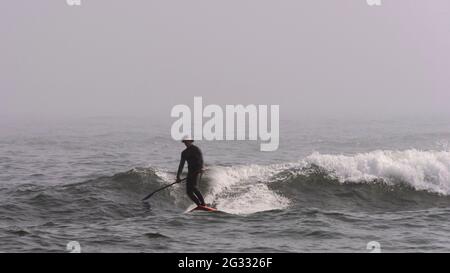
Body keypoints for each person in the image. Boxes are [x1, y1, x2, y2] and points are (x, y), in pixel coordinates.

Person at [176, 136, 206, 207]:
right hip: (190, 172)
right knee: (189, 192)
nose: (186, 143)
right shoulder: (184, 153)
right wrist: (178, 176)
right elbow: (181, 165)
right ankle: (199, 205)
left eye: (188, 141)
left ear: (191, 141)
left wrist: (201, 168)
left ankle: (203, 204)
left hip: (197, 170)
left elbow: (201, 160)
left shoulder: (196, 149)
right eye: (185, 142)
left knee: (194, 188)